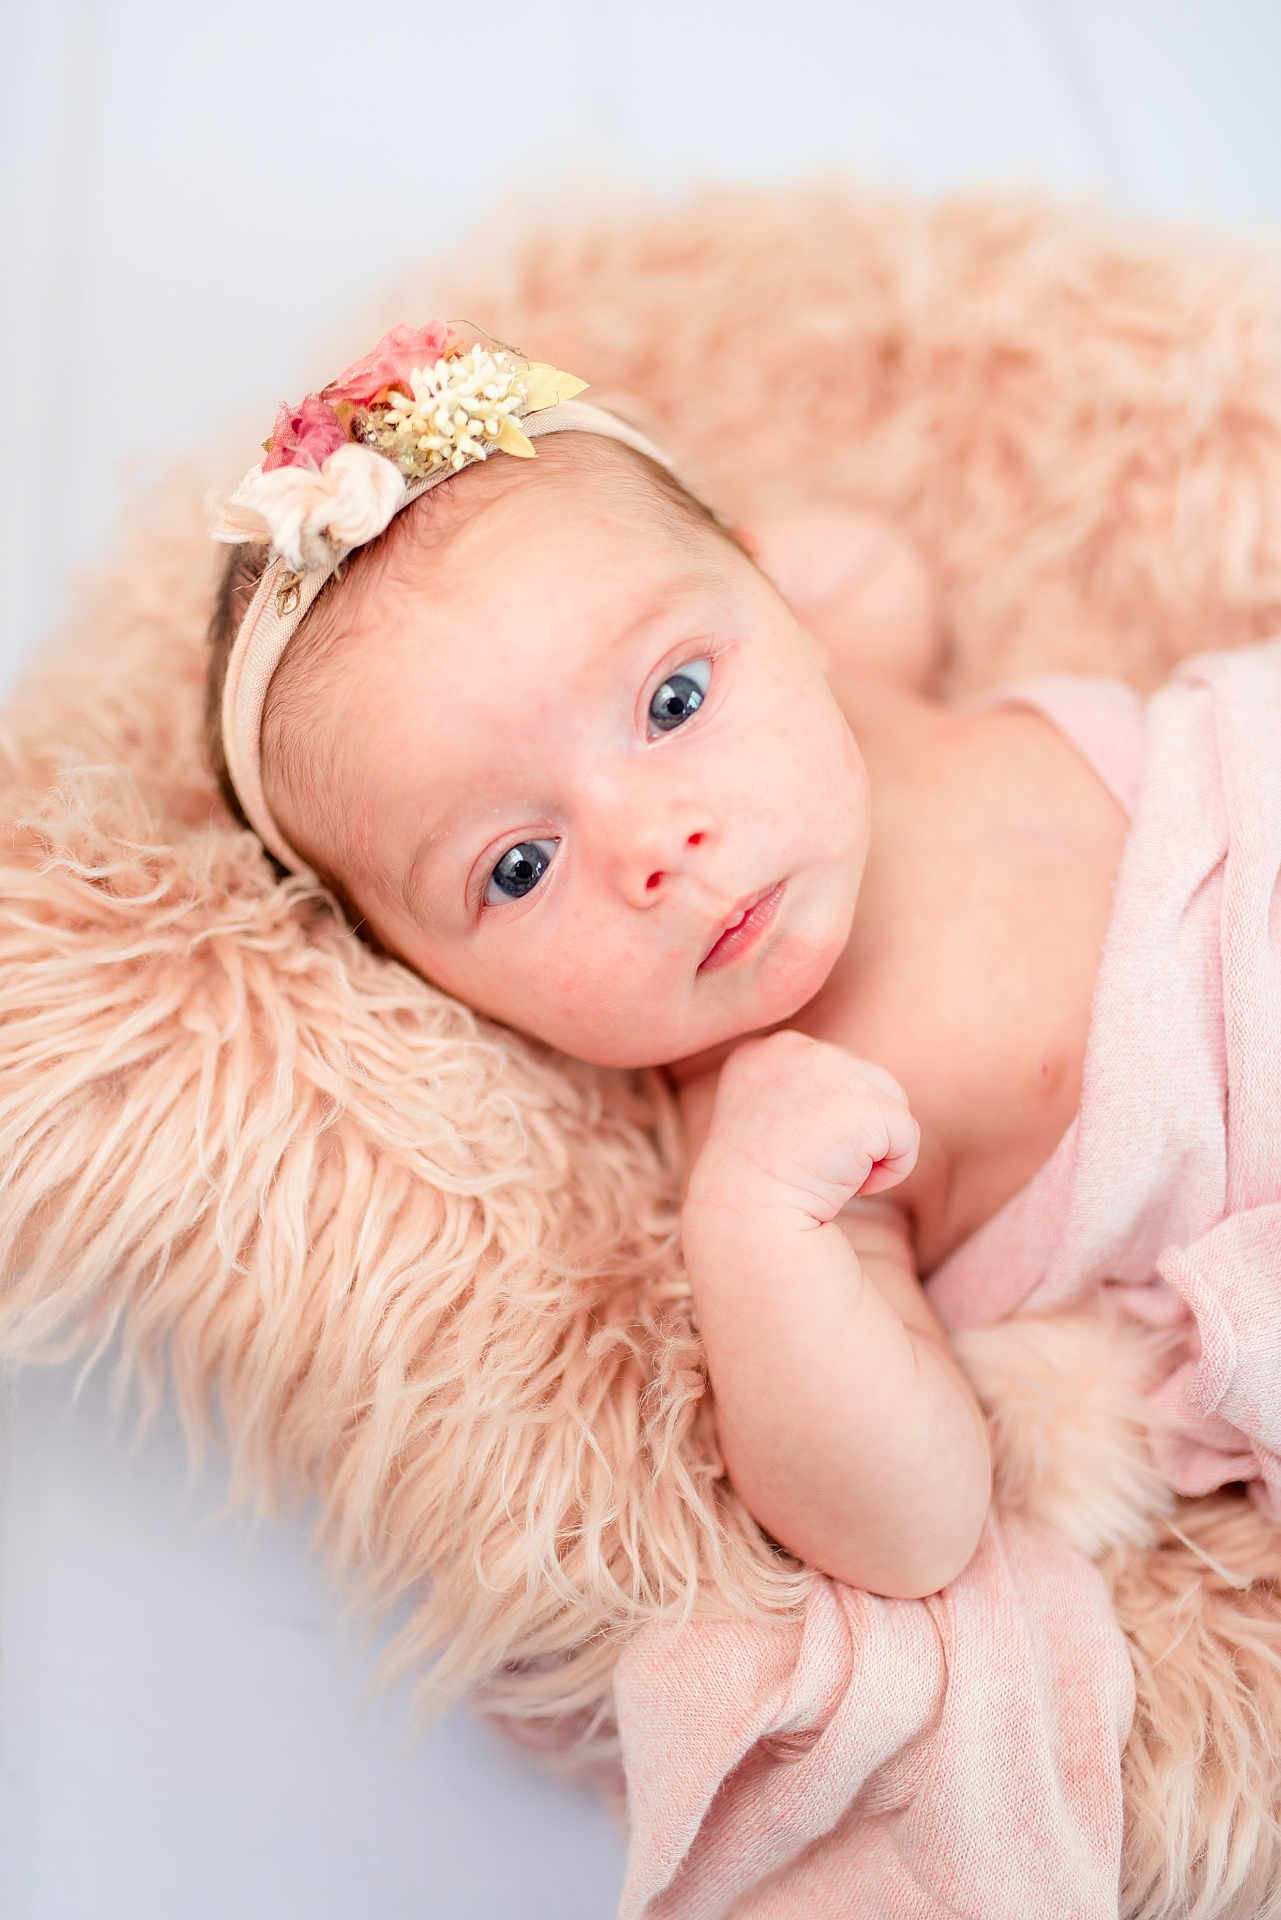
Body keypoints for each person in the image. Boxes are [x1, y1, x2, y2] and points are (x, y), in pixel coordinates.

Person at [205, 318, 1280, 1604]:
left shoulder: (841, 677)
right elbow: (914, 1527)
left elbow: (874, 576)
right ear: (434, 987)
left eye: (671, 702)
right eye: (518, 868)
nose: (654, 846)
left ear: (770, 599)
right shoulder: (782, 1131)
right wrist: (761, 1227)